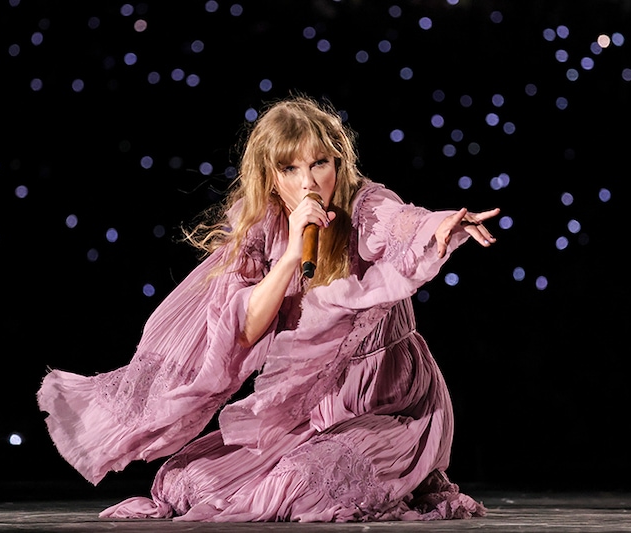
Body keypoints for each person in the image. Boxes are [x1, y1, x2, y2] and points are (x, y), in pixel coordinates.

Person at [37, 94, 499, 522]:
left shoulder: (365, 205)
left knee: (301, 486)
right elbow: (244, 328)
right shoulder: (262, 227)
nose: (310, 181)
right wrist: (294, 253)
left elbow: (405, 224)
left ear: (337, 161)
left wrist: (441, 229)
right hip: (314, 407)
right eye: (292, 168)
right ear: (272, 176)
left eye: (320, 163)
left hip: (390, 400)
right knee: (185, 482)